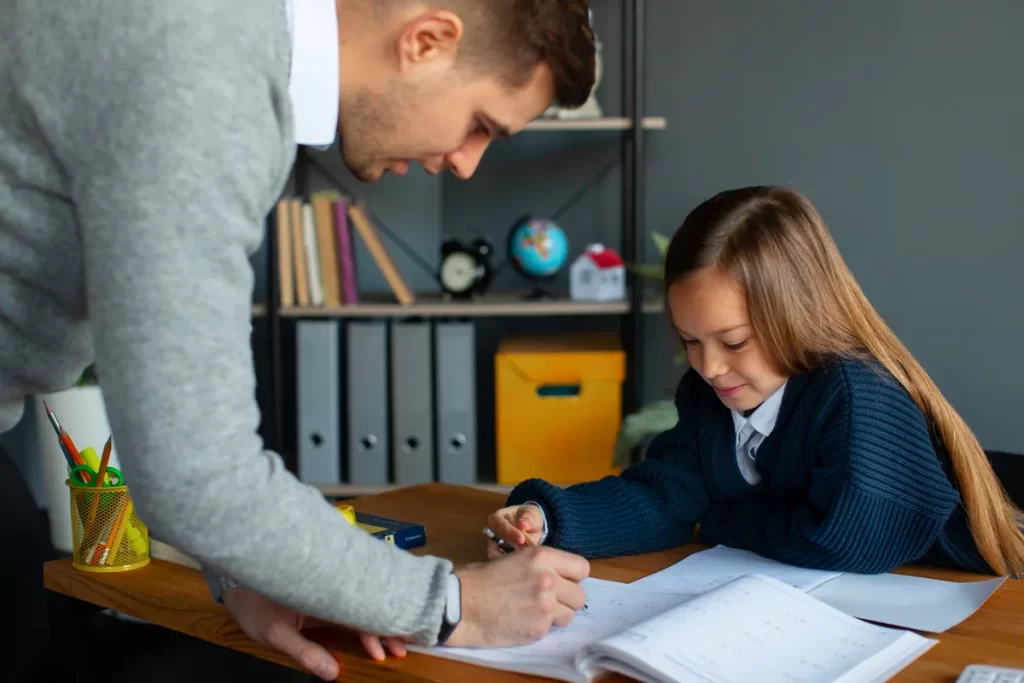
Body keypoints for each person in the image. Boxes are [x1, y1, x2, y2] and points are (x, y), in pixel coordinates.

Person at [0, 0, 596, 679]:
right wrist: (454, 603)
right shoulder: (205, 71)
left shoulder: (216, 39)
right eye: (480, 124)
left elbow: (162, 366)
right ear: (427, 41)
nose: (466, 165)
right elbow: (196, 474)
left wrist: (249, 567)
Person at [487, 185, 1024, 580]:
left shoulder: (855, 395)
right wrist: (547, 517)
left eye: (735, 342)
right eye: (690, 341)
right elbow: (666, 495)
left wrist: (720, 519)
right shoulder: (710, 396)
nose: (709, 367)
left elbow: (848, 543)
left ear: (799, 315)